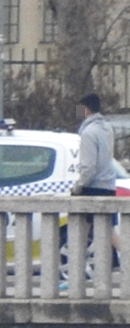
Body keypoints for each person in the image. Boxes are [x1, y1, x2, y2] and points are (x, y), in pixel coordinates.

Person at [63, 93, 120, 286]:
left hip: (92, 188)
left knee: (81, 231)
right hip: (108, 186)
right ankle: (119, 261)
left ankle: (75, 274)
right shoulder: (107, 129)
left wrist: (78, 187)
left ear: (86, 109)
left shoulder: (87, 133)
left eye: (80, 109)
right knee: (107, 231)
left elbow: (88, 166)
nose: (79, 113)